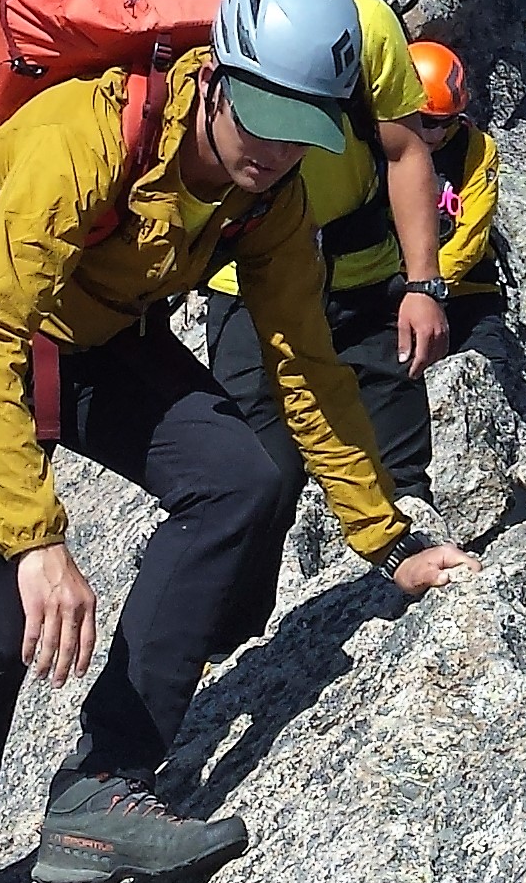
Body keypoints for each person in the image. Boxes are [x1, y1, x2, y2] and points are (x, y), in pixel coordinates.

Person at [0, 0, 473, 883]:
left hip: (101, 343)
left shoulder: (264, 198)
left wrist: (386, 538)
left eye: (304, 132)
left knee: (243, 479)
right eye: (264, 118)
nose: (277, 154)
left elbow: (302, 361)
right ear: (217, 78)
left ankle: (105, 784)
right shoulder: (85, 139)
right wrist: (38, 541)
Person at [203, 37, 502, 542]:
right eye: (426, 119)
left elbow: (470, 226)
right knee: (260, 462)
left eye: (444, 122)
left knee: (396, 445)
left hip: (380, 280)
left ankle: (410, 537)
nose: (433, 133)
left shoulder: (470, 148)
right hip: (263, 281)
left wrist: (426, 285)